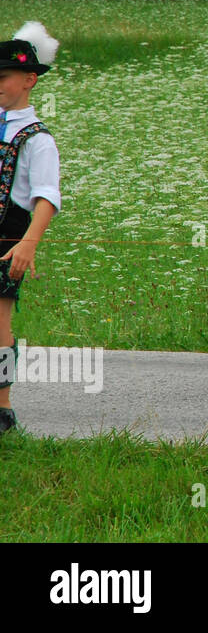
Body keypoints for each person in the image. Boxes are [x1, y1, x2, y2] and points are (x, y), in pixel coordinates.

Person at [0, 23, 61, 435]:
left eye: (2, 77)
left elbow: (46, 197)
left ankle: (2, 406)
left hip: (7, 242)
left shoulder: (37, 139)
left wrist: (29, 243)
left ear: (29, 80)